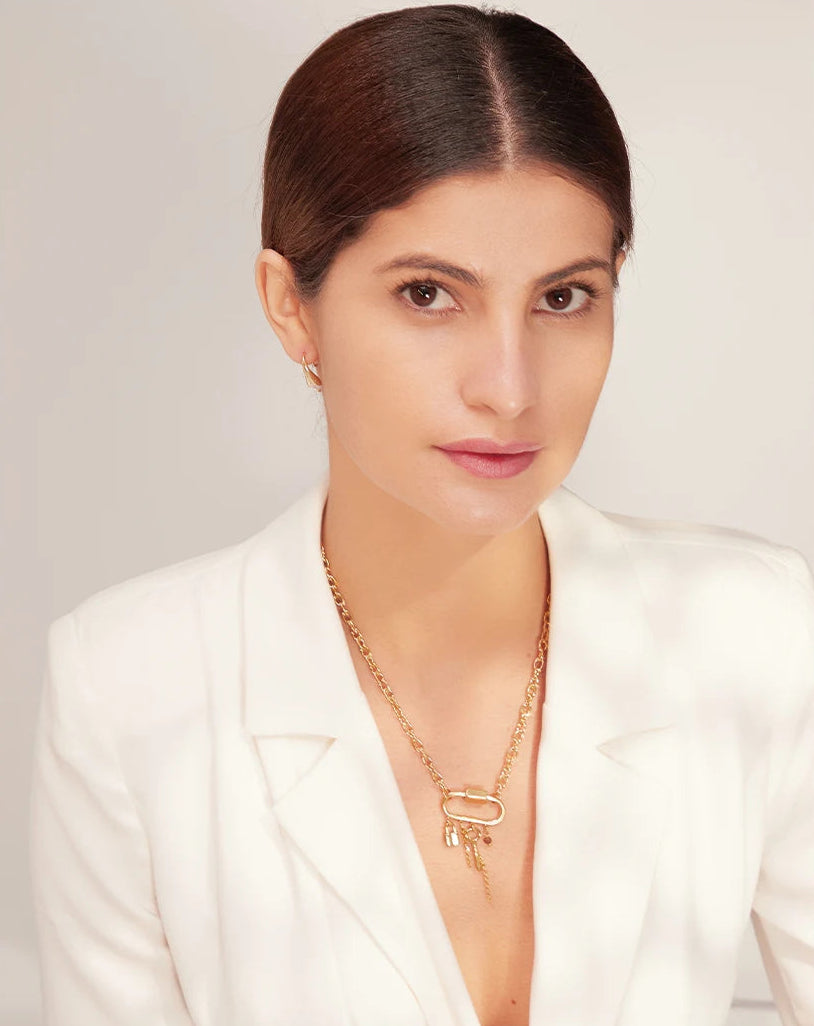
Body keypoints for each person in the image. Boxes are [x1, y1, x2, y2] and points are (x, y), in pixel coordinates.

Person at [29, 5, 814, 1026]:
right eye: (429, 295)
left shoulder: (753, 632)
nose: (509, 388)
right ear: (291, 306)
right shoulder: (130, 688)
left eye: (564, 298)